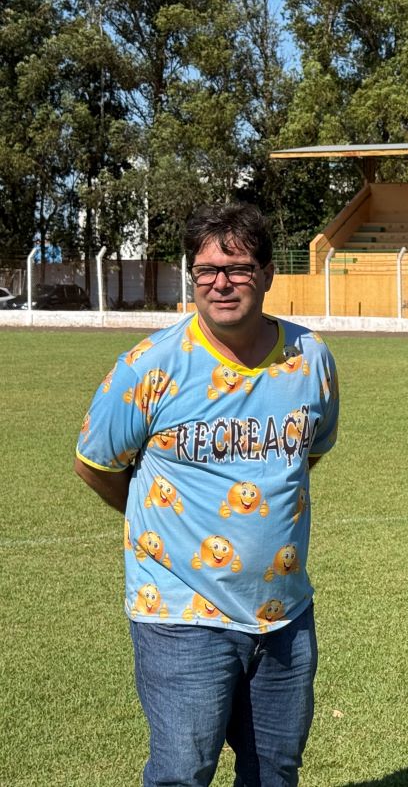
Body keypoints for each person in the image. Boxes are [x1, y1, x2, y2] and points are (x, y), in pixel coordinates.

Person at [74, 202, 339, 787]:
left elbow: (307, 453)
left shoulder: (310, 358)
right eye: (206, 270)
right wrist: (156, 519)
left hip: (283, 612)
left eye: (239, 268)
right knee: (182, 773)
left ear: (269, 274)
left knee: (275, 771)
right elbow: (96, 462)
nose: (221, 282)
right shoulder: (151, 365)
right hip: (180, 612)